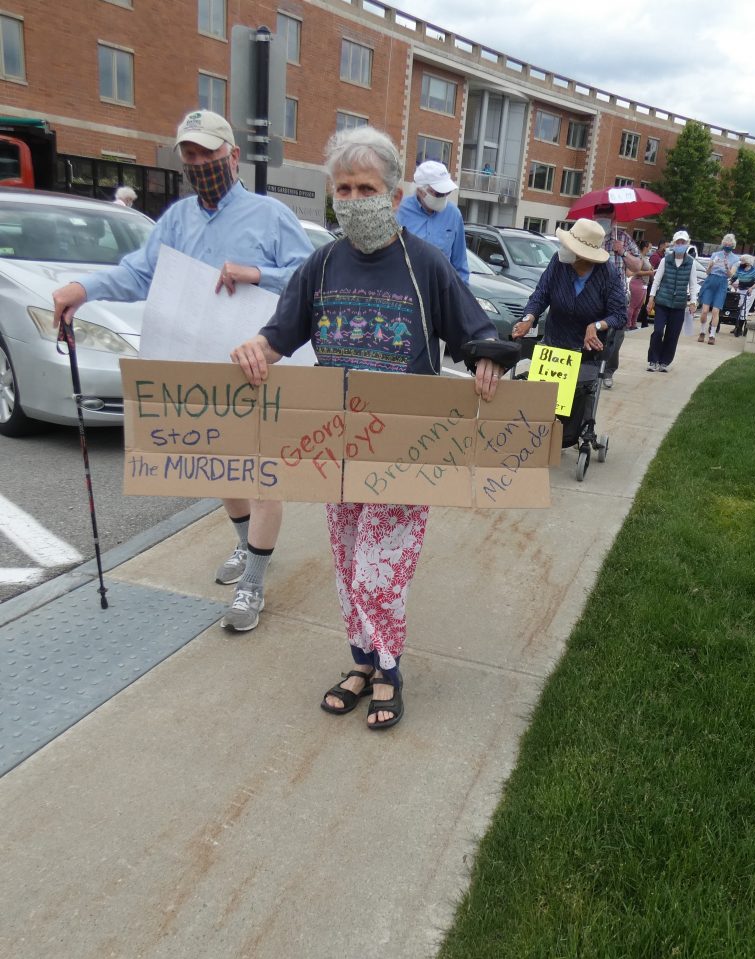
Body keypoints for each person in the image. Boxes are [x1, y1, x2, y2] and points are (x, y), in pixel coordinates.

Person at [231, 127, 505, 731]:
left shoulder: (425, 264)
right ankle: (361, 662)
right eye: (344, 189)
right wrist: (256, 349)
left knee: (379, 571)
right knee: (349, 561)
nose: (355, 200)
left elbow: (472, 331)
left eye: (367, 188)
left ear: (395, 195)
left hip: (406, 450)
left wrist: (486, 357)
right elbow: (281, 333)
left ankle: (388, 672)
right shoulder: (323, 264)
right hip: (338, 448)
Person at [52, 109, 313, 634]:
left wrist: (256, 273)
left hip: (261, 365)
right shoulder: (176, 219)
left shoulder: (270, 216)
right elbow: (139, 273)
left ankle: (253, 582)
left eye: (207, 153)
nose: (198, 163)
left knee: (263, 474)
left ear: (232, 156)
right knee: (220, 468)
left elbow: (310, 278)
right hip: (202, 368)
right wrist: (84, 289)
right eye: (189, 155)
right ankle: (246, 546)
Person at [510, 217, 626, 441]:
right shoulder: (558, 262)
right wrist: (528, 318)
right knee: (542, 393)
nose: (562, 248)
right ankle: (537, 433)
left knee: (578, 393)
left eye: (568, 246)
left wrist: (597, 325)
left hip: (586, 353)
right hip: (554, 343)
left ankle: (572, 434)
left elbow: (620, 315)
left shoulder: (608, 274)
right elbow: (541, 294)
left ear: (583, 255)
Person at [592, 202, 643, 388]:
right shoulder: (589, 237)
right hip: (593, 296)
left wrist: (622, 251)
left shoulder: (623, 238)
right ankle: (592, 369)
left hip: (617, 297)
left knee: (615, 337)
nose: (603, 220)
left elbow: (637, 266)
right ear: (594, 217)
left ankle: (608, 370)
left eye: (607, 216)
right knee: (593, 332)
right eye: (600, 216)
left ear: (614, 218)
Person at [396, 159, 469, 284]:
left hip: (441, 290)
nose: (444, 196)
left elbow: (460, 265)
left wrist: (462, 293)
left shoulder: (454, 215)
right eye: (439, 193)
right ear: (421, 190)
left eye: (447, 192)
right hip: (405, 287)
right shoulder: (399, 211)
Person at [645, 230, 697, 371]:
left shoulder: (691, 263)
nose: (680, 245)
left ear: (687, 244)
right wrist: (651, 298)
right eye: (678, 242)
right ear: (674, 244)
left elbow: (693, 285)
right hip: (663, 302)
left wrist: (693, 301)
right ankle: (653, 359)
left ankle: (665, 361)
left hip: (679, 304)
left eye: (683, 242)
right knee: (658, 331)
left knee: (672, 335)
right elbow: (656, 281)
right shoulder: (665, 260)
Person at [696, 233, 740, 344]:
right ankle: (702, 332)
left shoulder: (735, 259)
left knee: (716, 311)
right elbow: (707, 272)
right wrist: (711, 265)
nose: (727, 246)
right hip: (711, 281)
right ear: (723, 244)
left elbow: (731, 275)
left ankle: (712, 335)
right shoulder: (715, 254)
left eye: (729, 245)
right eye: (726, 244)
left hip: (722, 283)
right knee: (705, 311)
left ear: (733, 246)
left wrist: (726, 267)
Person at [729, 254, 755, 335]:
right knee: (738, 308)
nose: (740, 262)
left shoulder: (754, 270)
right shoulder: (740, 269)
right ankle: (737, 326)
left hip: (749, 291)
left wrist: (751, 288)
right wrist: (730, 283)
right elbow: (734, 278)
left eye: (742, 261)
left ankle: (740, 328)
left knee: (744, 309)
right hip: (740, 290)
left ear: (747, 262)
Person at [626, 240, 653, 330]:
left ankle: (633, 324)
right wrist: (649, 272)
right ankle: (628, 324)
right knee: (633, 305)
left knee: (638, 306)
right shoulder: (640, 257)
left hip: (644, 283)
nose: (649, 250)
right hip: (638, 283)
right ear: (645, 247)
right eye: (649, 248)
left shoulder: (644, 257)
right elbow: (637, 271)